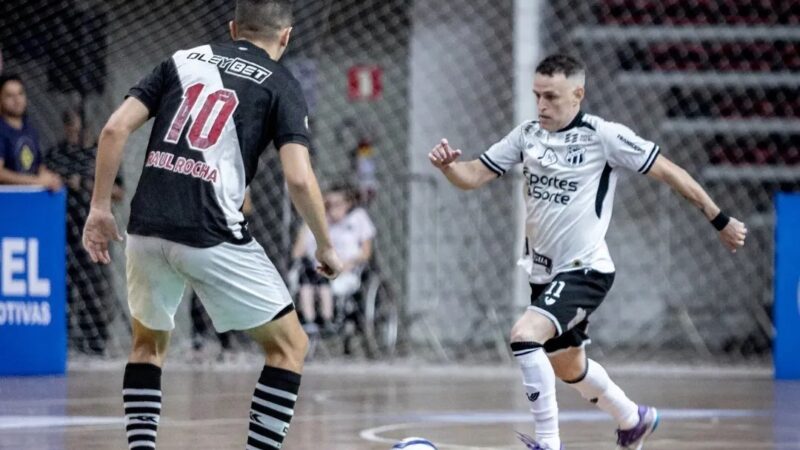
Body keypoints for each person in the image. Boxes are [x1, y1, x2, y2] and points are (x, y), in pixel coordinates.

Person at [428, 53, 747, 450]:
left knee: (524, 336)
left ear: (578, 94)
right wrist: (449, 168)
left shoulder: (603, 135)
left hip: (585, 270)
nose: (541, 105)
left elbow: (670, 171)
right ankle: (633, 419)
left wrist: (720, 219)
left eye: (551, 96)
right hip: (544, 274)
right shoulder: (527, 135)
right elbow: (474, 174)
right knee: (568, 366)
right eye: (537, 95)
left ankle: (548, 443)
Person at [82, 1, 343, 449]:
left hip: (146, 226)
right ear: (286, 36)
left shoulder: (182, 59)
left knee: (147, 346)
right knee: (289, 347)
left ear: (233, 28)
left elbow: (113, 130)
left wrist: (100, 208)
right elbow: (299, 178)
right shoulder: (281, 82)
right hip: (210, 229)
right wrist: (324, 244)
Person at [47, 109, 124, 355]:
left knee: (95, 285)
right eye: (70, 128)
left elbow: (119, 192)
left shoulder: (99, 154)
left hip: (94, 231)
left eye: (78, 128)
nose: (74, 133)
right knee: (65, 286)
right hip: (64, 229)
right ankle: (67, 339)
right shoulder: (57, 154)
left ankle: (96, 341)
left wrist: (90, 185)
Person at [291, 183, 376, 334]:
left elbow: (366, 253)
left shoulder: (358, 218)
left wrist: (347, 265)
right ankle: (310, 321)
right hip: (318, 270)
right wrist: (310, 219)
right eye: (327, 204)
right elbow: (297, 252)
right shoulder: (321, 221)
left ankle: (327, 320)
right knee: (306, 280)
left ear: (348, 203)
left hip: (347, 269)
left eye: (336, 204)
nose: (331, 209)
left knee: (329, 283)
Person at [0, 74, 62, 191]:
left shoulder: (30, 130)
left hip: (31, 197)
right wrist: (36, 181)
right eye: (10, 95)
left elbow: (39, 166)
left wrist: (49, 179)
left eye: (20, 93)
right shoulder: (2, 130)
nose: (17, 100)